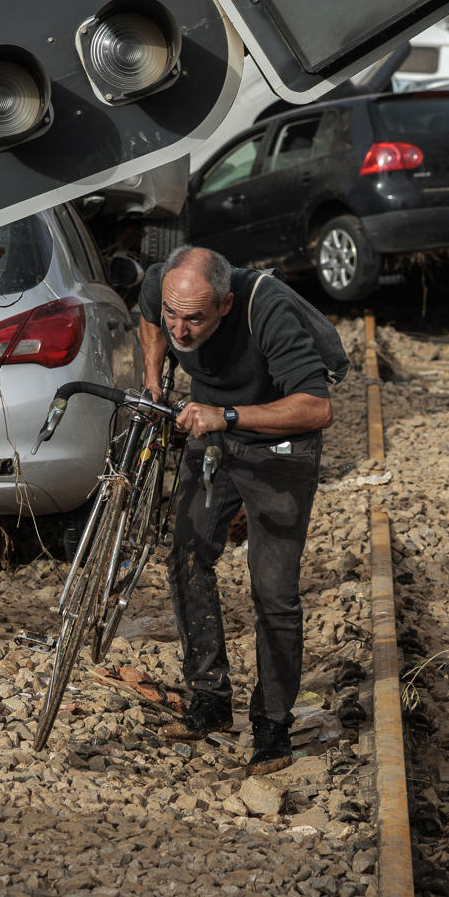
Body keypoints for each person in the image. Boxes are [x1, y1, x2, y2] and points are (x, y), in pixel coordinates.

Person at [137, 245, 333, 775]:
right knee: (185, 552)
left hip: (278, 440)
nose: (179, 330)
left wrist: (227, 414)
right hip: (211, 427)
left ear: (224, 305)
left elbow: (318, 407)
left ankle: (272, 723)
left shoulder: (265, 310)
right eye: (173, 314)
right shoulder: (167, 287)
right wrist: (155, 380)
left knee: (273, 590)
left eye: (194, 319)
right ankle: (209, 698)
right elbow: (149, 320)